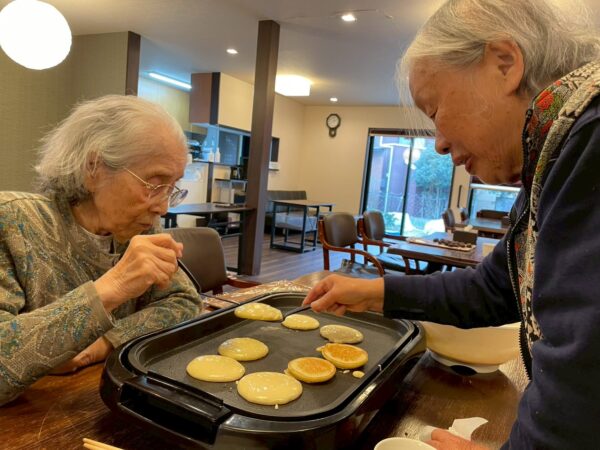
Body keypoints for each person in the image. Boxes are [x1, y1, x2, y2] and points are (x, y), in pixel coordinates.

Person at [303, 0, 600, 448]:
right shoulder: (554, 156)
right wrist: (373, 292)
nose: (439, 144)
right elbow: (494, 289)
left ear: (505, 63)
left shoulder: (589, 145)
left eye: (434, 110)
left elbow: (585, 374)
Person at [0, 95, 203, 406]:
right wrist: (114, 286)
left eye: (172, 187)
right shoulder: (11, 222)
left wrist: (104, 342)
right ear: (93, 168)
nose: (163, 207)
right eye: (154, 184)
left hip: (106, 402)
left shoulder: (139, 227)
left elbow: (184, 302)